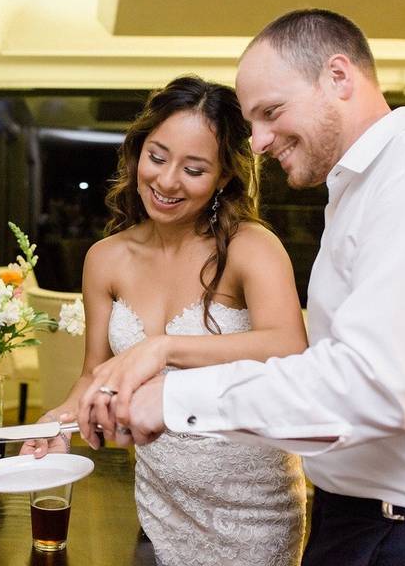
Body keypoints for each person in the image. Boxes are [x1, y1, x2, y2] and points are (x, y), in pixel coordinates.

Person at [80, 9, 405, 566]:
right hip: (358, 517)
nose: (256, 142)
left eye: (271, 112)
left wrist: (175, 393)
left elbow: (375, 385)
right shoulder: (363, 191)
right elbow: (334, 362)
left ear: (339, 77)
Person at [22, 75, 310, 566]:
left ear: (224, 177)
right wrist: (60, 420)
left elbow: (289, 347)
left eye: (194, 169)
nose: (167, 180)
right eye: (156, 157)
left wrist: (164, 348)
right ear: (137, 152)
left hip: (253, 511)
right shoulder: (105, 258)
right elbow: (96, 369)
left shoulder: (251, 247)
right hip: (159, 501)